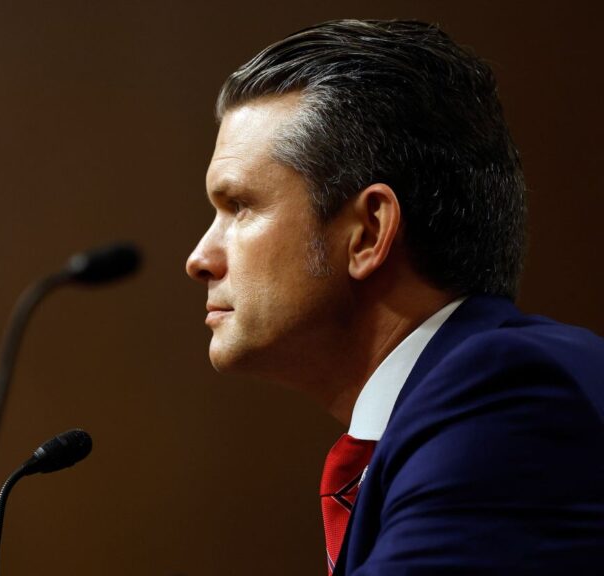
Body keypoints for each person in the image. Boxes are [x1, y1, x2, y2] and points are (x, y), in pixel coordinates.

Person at [185, 19, 604, 575]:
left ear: (367, 232)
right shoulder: (443, 414)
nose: (198, 258)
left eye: (240, 206)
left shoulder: (508, 396)